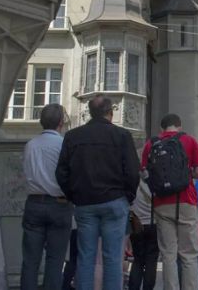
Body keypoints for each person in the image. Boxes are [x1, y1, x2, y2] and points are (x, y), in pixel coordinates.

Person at [56, 95, 140, 289]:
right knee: (112, 257)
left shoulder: (73, 136)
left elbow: (61, 172)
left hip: (85, 203)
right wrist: (128, 197)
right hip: (114, 200)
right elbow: (132, 171)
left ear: (89, 113)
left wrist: (74, 195)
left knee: (86, 256)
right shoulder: (121, 135)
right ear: (110, 113)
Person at [140, 113, 198, 290]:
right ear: (179, 126)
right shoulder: (189, 141)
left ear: (161, 129)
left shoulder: (150, 144)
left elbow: (144, 173)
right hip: (186, 200)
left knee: (168, 254)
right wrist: (186, 174)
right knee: (188, 254)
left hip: (162, 203)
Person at [20, 104, 72, 290]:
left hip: (34, 203)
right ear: (61, 122)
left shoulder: (30, 145)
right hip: (59, 204)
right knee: (55, 260)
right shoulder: (64, 144)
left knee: (30, 260)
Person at [128, 180, 158, 290]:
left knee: (138, 260)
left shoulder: (134, 180)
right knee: (151, 261)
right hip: (154, 223)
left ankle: (133, 287)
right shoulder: (155, 180)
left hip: (136, 224)